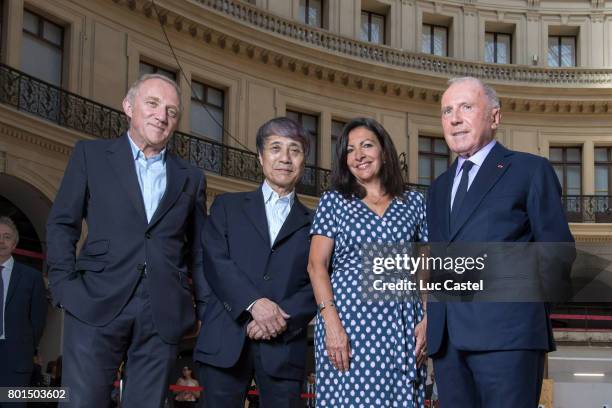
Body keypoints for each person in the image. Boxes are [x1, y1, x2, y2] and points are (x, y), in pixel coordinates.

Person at [46, 74, 207, 407]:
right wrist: (63, 285)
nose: (162, 116)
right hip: (94, 301)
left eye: (172, 111)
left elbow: (198, 253)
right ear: (128, 106)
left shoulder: (191, 177)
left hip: (162, 313)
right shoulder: (90, 155)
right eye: (152, 104)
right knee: (81, 402)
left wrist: (202, 309)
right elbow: (63, 223)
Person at [426, 77, 575, 408]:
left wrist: (522, 313)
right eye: (446, 110)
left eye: (466, 107)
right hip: (448, 344)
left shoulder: (530, 170)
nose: (454, 118)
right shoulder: (438, 187)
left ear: (494, 117)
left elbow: (557, 254)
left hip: (509, 339)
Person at [195, 117, 316, 408]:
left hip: (284, 345)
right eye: (276, 148)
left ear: (303, 162)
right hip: (225, 339)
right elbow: (214, 261)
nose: (285, 158)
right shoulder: (227, 206)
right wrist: (253, 304)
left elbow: (320, 280)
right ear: (261, 157)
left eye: (295, 150)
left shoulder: (317, 222)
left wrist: (277, 318)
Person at [308, 117, 428, 407]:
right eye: (350, 150)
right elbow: (316, 265)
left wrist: (428, 318)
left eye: (366, 145)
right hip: (348, 327)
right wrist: (332, 325)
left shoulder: (414, 202)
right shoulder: (334, 201)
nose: (358, 155)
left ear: (384, 152)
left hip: (402, 327)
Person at [0, 216, 47, 408]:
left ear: (14, 243)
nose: (1, 241)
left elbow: (37, 321)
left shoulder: (32, 277)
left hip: (17, 361)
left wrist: (26, 348)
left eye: (7, 236)